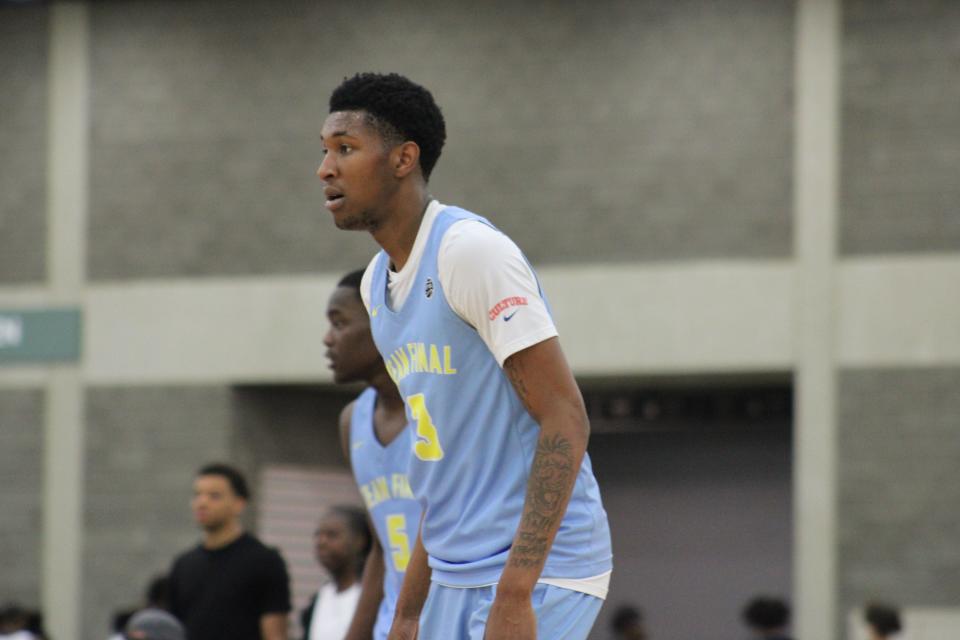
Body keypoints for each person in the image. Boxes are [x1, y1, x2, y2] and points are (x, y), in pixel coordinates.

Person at [318, 72, 613, 640]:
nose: (325, 169)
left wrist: (516, 590)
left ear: (404, 158)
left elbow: (565, 417)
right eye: (325, 151)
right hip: (453, 571)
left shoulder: (469, 252)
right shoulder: (378, 284)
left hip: (541, 572)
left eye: (346, 150)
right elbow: (444, 460)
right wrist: (407, 611)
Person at [322, 268, 422, 639]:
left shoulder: (438, 408)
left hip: (456, 615)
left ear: (383, 325)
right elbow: (382, 547)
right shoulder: (352, 421)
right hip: (394, 625)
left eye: (340, 323)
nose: (327, 338)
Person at [166, 462, 291, 640]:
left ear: (239, 503)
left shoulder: (265, 561)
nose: (202, 503)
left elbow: (275, 634)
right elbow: (174, 630)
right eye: (197, 495)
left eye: (214, 496)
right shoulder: (184, 564)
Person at [301, 505, 373, 639]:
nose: (321, 542)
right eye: (318, 535)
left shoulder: (372, 597)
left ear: (360, 541)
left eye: (332, 535)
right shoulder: (320, 596)